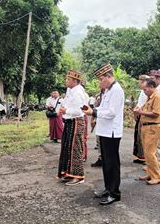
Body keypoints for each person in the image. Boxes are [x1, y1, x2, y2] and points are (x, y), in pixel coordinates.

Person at [84, 64, 125, 205]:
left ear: (109, 76)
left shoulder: (117, 91)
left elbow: (112, 112)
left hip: (112, 132)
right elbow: (103, 108)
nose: (100, 83)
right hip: (104, 131)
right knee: (106, 163)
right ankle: (108, 188)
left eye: (101, 79)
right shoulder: (108, 90)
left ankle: (115, 193)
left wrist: (94, 112)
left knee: (112, 163)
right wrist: (93, 109)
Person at [57, 70, 87, 185]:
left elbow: (80, 110)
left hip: (76, 122)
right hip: (69, 121)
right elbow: (66, 104)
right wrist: (63, 109)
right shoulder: (70, 90)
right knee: (67, 148)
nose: (66, 81)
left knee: (75, 149)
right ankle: (69, 173)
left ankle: (78, 176)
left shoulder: (78, 92)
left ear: (75, 81)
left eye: (68, 79)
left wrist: (66, 110)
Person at [134, 79, 160, 185]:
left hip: (152, 128)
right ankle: (150, 173)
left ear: (151, 87)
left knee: (150, 153)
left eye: (145, 89)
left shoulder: (157, 97)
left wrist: (141, 112)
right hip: (146, 127)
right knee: (147, 153)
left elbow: (156, 113)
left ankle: (157, 176)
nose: (144, 91)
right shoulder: (149, 97)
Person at [133, 75, 151, 164]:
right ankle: (140, 156)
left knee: (142, 136)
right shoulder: (142, 91)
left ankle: (144, 157)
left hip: (143, 114)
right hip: (140, 113)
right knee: (138, 136)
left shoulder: (147, 91)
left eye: (140, 81)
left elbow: (145, 104)